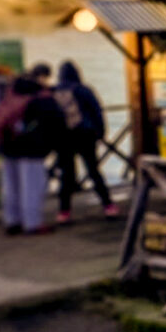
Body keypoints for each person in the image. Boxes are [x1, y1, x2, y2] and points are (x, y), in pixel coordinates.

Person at [0, 74, 65, 234]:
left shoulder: (8, 99)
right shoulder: (42, 100)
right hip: (32, 150)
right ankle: (33, 223)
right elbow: (57, 123)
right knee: (32, 187)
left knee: (10, 187)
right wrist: (54, 146)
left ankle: (12, 222)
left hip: (7, 148)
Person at [51, 60, 115, 223]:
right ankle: (108, 206)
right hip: (85, 135)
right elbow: (96, 110)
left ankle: (64, 212)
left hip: (63, 137)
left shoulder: (54, 91)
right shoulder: (83, 90)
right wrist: (101, 132)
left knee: (66, 175)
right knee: (93, 171)